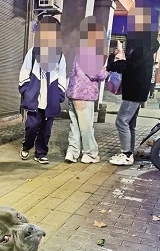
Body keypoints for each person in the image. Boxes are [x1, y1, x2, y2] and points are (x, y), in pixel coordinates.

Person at [107, 2, 160, 166]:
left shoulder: (142, 42)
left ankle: (126, 154)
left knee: (121, 121)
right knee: (130, 123)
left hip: (135, 89)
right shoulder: (147, 42)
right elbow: (132, 64)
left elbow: (130, 66)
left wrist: (114, 62)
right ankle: (129, 152)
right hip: (137, 89)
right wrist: (120, 57)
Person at [18, 16, 66, 164]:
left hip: (50, 99)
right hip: (35, 99)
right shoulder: (33, 52)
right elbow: (25, 71)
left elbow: (62, 76)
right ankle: (27, 145)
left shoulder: (59, 56)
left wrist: (59, 94)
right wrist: (26, 90)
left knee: (46, 130)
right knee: (32, 126)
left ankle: (41, 153)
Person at [65, 17, 109, 163]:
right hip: (84, 96)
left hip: (73, 94)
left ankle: (72, 152)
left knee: (75, 126)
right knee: (86, 127)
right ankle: (90, 153)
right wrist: (106, 72)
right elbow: (96, 73)